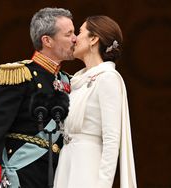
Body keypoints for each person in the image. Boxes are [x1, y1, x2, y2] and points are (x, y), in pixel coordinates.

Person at [0, 7, 76, 188]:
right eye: (69, 34)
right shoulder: (20, 75)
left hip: (58, 176)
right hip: (23, 174)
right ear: (47, 40)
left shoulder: (70, 81)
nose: (75, 38)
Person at [53, 16, 137, 188]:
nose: (75, 38)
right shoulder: (77, 81)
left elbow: (112, 139)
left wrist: (103, 185)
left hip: (87, 167)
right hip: (67, 164)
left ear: (93, 39)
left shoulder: (107, 79)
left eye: (80, 32)